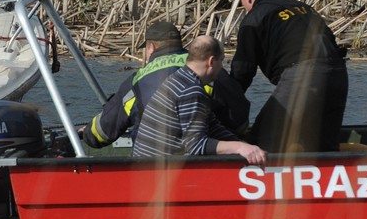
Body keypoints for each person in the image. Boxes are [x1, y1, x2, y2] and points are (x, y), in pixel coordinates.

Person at [231, 0, 348, 153]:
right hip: (338, 76)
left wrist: (227, 103)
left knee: (262, 143)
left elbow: (242, 72)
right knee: (324, 148)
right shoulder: (302, 8)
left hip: (304, 78)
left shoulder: (254, 19)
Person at [79, 22, 249, 148]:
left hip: (153, 163)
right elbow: (240, 119)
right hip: (209, 158)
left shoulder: (137, 81)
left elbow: (102, 133)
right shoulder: (209, 68)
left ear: (151, 48)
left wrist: (87, 133)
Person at [132, 36, 266, 164]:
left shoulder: (181, 78)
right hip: (157, 172)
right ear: (211, 62)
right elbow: (196, 146)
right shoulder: (191, 90)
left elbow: (212, 125)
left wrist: (246, 146)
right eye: (222, 60)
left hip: (149, 164)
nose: (221, 67)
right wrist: (238, 148)